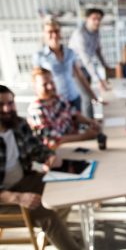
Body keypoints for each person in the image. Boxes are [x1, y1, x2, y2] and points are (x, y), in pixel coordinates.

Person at [0, 85, 82, 250]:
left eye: (11, 102)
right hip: (5, 198)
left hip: (25, 180)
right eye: (1, 104)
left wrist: (49, 157)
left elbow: (37, 148)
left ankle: (58, 235)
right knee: (48, 215)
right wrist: (16, 197)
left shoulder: (19, 124)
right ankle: (63, 238)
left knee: (68, 190)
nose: (7, 108)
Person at [34, 16, 99, 112]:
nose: (54, 35)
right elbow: (37, 83)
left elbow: (80, 75)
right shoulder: (39, 56)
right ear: (44, 34)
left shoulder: (70, 52)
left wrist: (93, 95)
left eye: (56, 31)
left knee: (78, 125)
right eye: (50, 32)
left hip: (74, 97)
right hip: (55, 101)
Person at [28, 67, 101, 150]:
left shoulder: (58, 98)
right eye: (44, 84)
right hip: (62, 150)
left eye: (52, 82)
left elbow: (74, 114)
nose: (50, 86)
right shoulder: (36, 110)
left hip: (76, 141)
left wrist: (91, 122)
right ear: (35, 87)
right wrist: (84, 136)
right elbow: (54, 141)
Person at [69, 8, 110, 118]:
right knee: (87, 97)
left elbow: (98, 50)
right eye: (94, 18)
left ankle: (90, 121)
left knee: (89, 97)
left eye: (99, 19)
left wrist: (106, 66)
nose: (97, 21)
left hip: (86, 68)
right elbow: (86, 60)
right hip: (76, 69)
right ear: (87, 19)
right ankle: (89, 126)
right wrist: (99, 80)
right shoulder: (80, 34)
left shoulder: (96, 32)